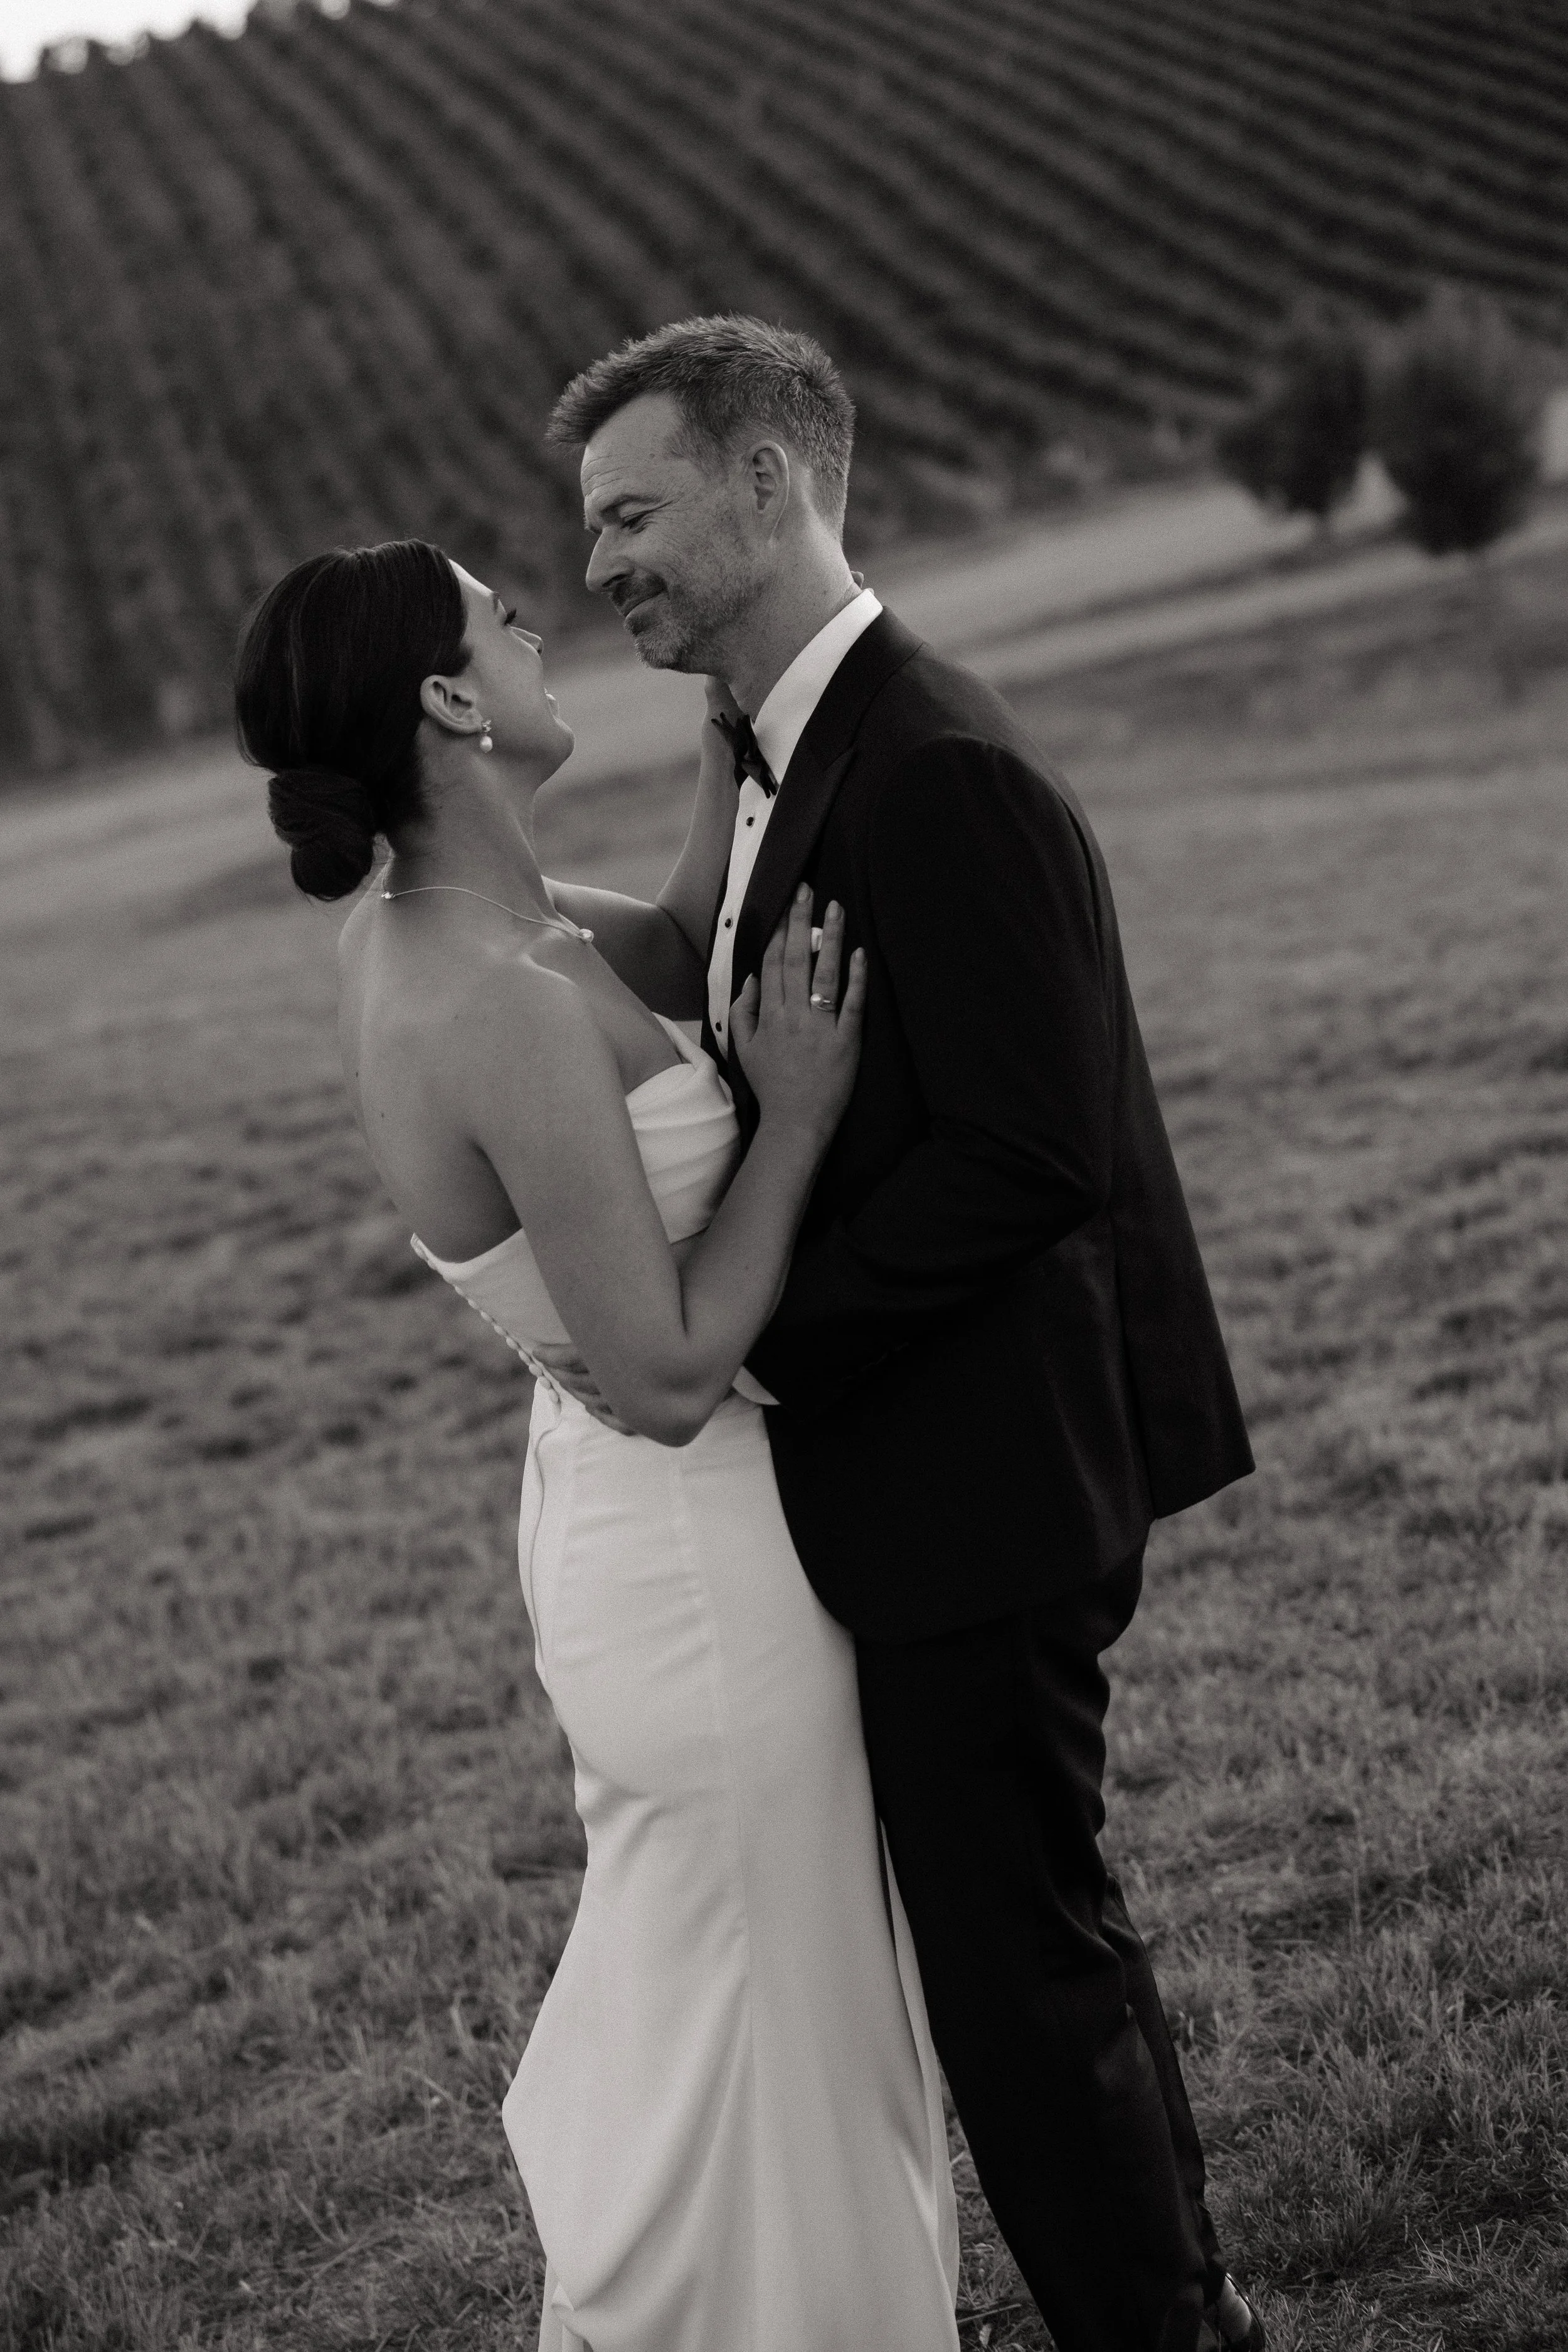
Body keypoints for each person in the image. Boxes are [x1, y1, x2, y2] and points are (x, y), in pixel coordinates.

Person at [544, 315, 1265, 2352]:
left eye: (633, 511)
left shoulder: (933, 762)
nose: (602, 564)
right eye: (587, 528)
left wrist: (760, 1340)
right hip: (933, 1457)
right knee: (1023, 1940)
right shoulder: (778, 743)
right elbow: (700, 964)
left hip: (992, 1470)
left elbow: (1033, 1152)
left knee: (1014, 1964)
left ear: (769, 483)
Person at [235, 539, 961, 2352]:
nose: (539, 629)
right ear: (448, 700)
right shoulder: (485, 992)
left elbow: (660, 943)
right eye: (499, 616)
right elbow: (661, 1367)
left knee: (751, 1986)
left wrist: (737, 738)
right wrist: (791, 1117)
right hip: (695, 1551)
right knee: (770, 2015)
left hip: (639, 1532)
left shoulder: (467, 923)